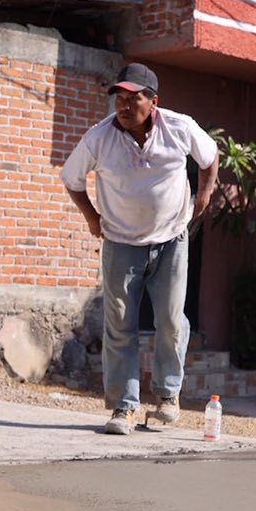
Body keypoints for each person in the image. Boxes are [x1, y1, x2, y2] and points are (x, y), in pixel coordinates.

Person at [60, 62, 219, 435]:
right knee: (119, 326)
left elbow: (210, 158)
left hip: (171, 240)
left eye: (133, 99)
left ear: (153, 102)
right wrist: (91, 217)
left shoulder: (179, 128)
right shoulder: (99, 138)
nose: (124, 106)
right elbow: (71, 178)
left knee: (169, 320)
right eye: (119, 99)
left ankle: (167, 397)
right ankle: (123, 408)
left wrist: (205, 196)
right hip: (120, 243)